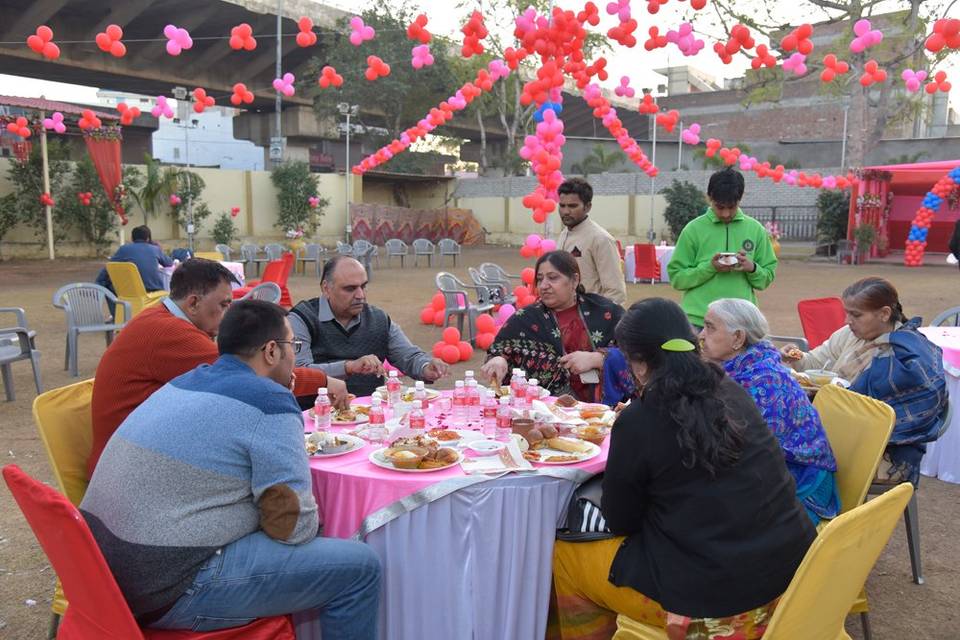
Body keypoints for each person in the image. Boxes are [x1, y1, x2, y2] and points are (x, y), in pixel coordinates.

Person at [80, 300, 381, 638]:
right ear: (271, 351)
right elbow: (293, 526)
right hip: (169, 586)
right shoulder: (268, 401)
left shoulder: (185, 382)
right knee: (359, 567)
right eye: (293, 346)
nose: (295, 356)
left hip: (104, 578)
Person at [552, 298, 815, 639]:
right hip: (792, 576)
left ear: (641, 364)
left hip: (716, 603)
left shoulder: (638, 419)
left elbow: (622, 522)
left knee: (566, 554)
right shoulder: (731, 389)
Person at [89, 258, 346, 477]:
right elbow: (255, 372)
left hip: (134, 453)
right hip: (131, 470)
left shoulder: (157, 318)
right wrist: (323, 381)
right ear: (193, 303)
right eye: (224, 305)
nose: (228, 313)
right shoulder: (170, 334)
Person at [781, 277, 946, 484]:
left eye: (856, 315)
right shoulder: (850, 334)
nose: (847, 320)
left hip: (886, 450)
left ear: (885, 314)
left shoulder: (906, 355)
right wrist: (797, 358)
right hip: (838, 426)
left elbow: (888, 416)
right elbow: (816, 361)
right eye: (847, 312)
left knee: (788, 459)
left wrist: (830, 398)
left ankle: (823, 511)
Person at [700, 298, 839, 525]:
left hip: (802, 488)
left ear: (738, 338)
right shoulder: (743, 368)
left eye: (710, 327)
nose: (701, 335)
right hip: (774, 474)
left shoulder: (763, 381)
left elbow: (751, 455)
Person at [289, 256, 448, 397]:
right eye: (350, 288)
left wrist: (426, 367)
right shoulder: (301, 319)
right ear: (326, 288)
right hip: (317, 417)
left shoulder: (378, 319)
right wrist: (349, 367)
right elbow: (298, 373)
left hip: (372, 416)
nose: (360, 295)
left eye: (363, 286)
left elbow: (409, 356)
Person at [480, 250, 624, 402]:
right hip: (544, 411)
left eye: (553, 278)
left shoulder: (605, 313)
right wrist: (498, 360)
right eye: (540, 279)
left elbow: (638, 355)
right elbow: (499, 352)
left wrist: (598, 359)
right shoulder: (525, 319)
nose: (544, 286)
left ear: (575, 280)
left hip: (603, 413)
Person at [667, 168, 778, 330]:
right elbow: (677, 278)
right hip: (699, 322)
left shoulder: (755, 230)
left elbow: (766, 277)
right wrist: (710, 267)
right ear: (709, 198)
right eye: (720, 207)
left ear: (740, 199)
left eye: (731, 207)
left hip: (741, 323)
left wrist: (752, 268)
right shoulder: (693, 230)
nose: (726, 213)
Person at [556, 177, 627, 306]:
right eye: (562, 205)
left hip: (591, 317)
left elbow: (616, 292)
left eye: (572, 206)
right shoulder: (563, 235)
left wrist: (599, 320)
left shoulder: (601, 239)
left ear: (587, 207)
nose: (566, 211)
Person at [95, 224, 173, 294]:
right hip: (155, 290)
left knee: (107, 284)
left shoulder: (124, 249)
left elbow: (109, 267)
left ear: (132, 238)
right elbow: (169, 263)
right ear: (147, 239)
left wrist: (99, 282)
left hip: (133, 291)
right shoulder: (155, 249)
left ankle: (117, 308)